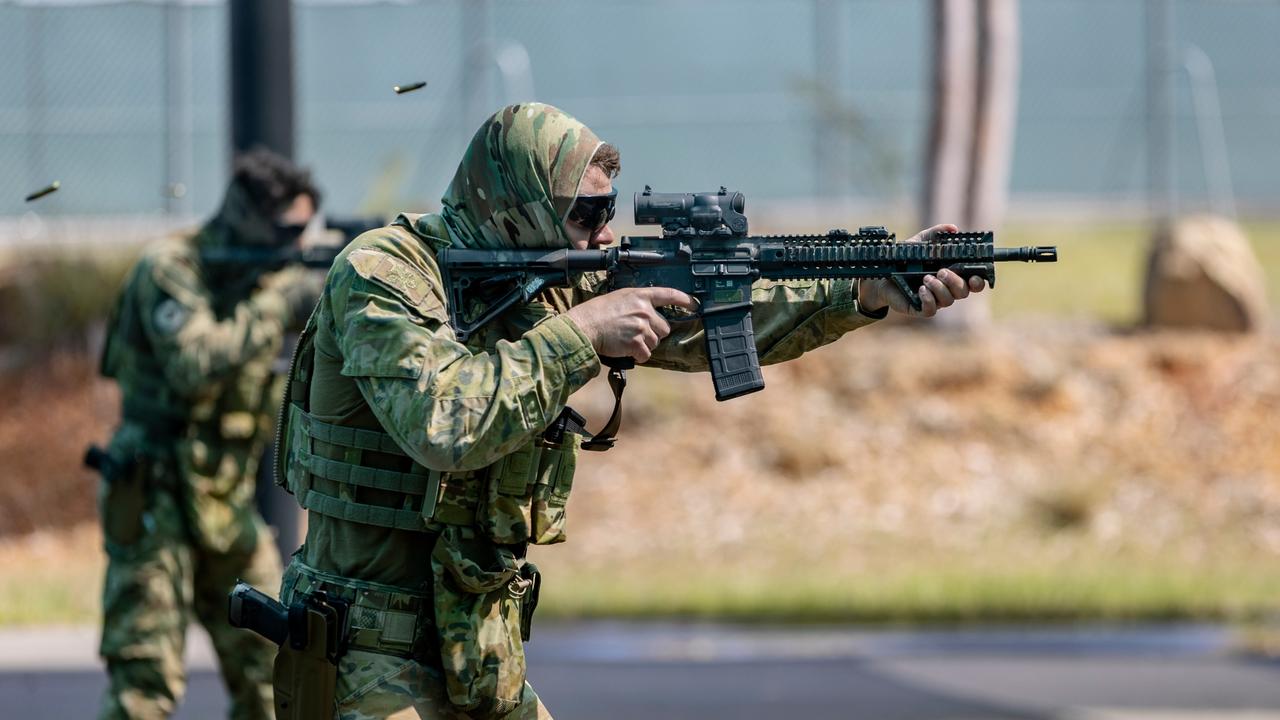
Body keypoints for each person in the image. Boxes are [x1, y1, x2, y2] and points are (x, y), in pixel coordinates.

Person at [273, 102, 984, 720]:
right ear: (517, 202)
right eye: (585, 213)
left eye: (607, 211)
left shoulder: (546, 273)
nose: (604, 233)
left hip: (477, 646)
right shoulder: (383, 273)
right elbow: (444, 423)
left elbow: (718, 325)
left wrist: (863, 290)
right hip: (365, 652)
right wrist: (584, 333)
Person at [95, 148, 321, 719]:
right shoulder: (172, 269)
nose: (296, 247)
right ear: (248, 218)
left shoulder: (261, 279)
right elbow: (194, 361)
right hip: (155, 492)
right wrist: (277, 304)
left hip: (223, 499)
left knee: (277, 667)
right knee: (144, 683)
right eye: (287, 231)